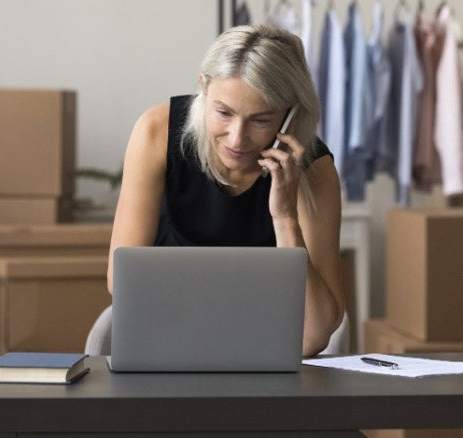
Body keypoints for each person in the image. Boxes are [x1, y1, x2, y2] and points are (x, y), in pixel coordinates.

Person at [107, 25, 344, 357]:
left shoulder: (313, 170)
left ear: (290, 115)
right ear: (204, 88)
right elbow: (123, 283)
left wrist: (285, 216)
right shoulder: (156, 133)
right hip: (167, 342)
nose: (236, 139)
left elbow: (315, 334)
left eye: (260, 120)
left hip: (265, 355)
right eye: (223, 113)